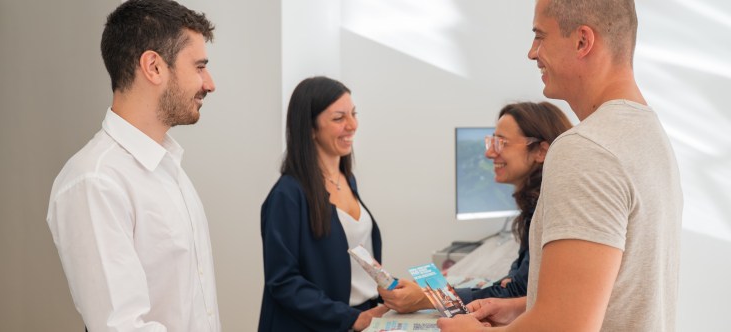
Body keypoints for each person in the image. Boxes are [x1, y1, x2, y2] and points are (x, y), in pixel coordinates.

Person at [438, 0, 683, 331]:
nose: (532, 52)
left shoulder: (585, 149)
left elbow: (565, 327)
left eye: (540, 37)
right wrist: (522, 308)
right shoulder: (650, 136)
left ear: (582, 41)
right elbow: (615, 288)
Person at [45, 1, 220, 331]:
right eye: (199, 67)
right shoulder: (95, 180)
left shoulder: (170, 169)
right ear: (153, 67)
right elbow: (122, 326)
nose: (209, 83)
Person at [378, 102, 572, 313]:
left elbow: (517, 293)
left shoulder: (549, 208)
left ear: (541, 151)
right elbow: (516, 284)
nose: (489, 153)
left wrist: (429, 298)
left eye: (501, 143)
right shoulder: (535, 206)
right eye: (491, 141)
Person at [258, 76, 390, 331]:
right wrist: (351, 319)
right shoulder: (287, 195)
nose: (352, 125)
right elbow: (283, 282)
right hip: (324, 324)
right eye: (339, 118)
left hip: (360, 318)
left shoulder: (346, 179)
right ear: (310, 128)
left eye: (353, 114)